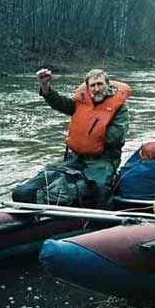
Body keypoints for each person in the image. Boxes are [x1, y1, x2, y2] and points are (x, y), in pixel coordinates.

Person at [12, 68, 131, 209]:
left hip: (102, 160)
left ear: (108, 85)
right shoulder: (81, 103)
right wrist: (45, 86)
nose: (97, 89)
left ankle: (102, 221)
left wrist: (91, 129)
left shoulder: (120, 108)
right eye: (92, 85)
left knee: (99, 187)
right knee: (45, 175)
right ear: (88, 88)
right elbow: (60, 103)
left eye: (100, 84)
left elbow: (116, 137)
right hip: (75, 158)